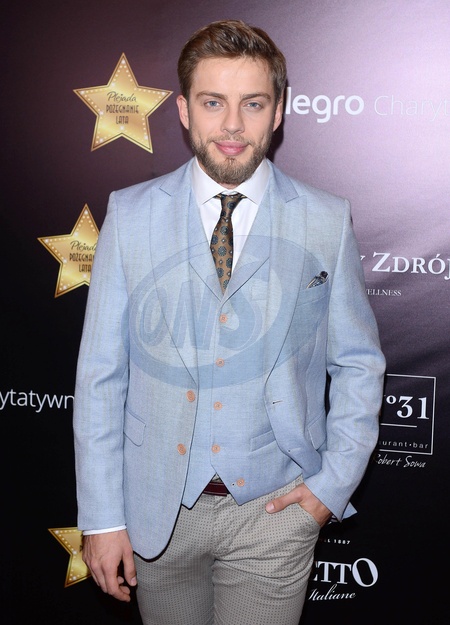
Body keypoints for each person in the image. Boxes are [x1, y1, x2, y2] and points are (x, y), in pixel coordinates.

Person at [73, 19, 386, 625]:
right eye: (213, 102)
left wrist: (330, 487)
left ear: (279, 111)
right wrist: (103, 517)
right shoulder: (130, 215)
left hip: (276, 511)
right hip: (157, 512)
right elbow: (101, 376)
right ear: (184, 110)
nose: (233, 125)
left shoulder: (325, 218)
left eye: (254, 103)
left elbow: (357, 362)